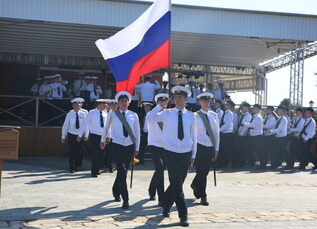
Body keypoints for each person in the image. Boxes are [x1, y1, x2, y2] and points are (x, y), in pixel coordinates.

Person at [147, 86, 197, 227]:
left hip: (186, 153)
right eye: (175, 96)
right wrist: (159, 106)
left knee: (177, 184)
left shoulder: (191, 116)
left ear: (186, 99)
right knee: (177, 184)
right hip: (170, 153)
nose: (177, 99)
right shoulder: (167, 113)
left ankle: (166, 204)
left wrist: (193, 154)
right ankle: (183, 216)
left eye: (180, 97)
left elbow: (194, 136)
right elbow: (150, 120)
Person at [100, 91, 140, 209]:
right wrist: (103, 141)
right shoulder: (113, 115)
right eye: (121, 101)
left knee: (123, 172)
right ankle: (126, 199)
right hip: (117, 145)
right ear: (118, 103)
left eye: (125, 101)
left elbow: (137, 133)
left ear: (128, 102)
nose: (124, 103)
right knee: (122, 171)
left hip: (129, 146)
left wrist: (137, 147)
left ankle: (116, 190)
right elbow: (106, 128)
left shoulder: (134, 115)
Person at [191, 92, 219, 206]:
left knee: (205, 172)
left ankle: (194, 184)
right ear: (199, 102)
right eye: (204, 101)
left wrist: (216, 148)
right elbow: (192, 133)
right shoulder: (195, 115)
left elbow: (217, 133)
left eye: (208, 101)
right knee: (201, 171)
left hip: (210, 146)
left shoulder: (214, 115)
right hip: (199, 146)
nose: (206, 103)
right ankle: (203, 195)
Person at [147, 93, 169, 205]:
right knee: (160, 170)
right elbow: (150, 120)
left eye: (165, 102)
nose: (163, 104)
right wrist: (159, 107)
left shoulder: (168, 114)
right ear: (157, 103)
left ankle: (151, 190)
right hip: (154, 145)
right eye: (161, 102)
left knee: (160, 170)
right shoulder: (152, 114)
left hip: (165, 146)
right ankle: (162, 198)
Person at [78, 99, 108, 177]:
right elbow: (85, 124)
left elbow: (108, 126)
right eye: (104, 104)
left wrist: (108, 136)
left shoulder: (105, 114)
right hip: (95, 135)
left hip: (103, 136)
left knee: (102, 154)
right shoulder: (91, 113)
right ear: (99, 105)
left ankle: (97, 169)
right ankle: (94, 171)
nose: (105, 106)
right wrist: (80, 135)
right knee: (96, 154)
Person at [61, 98, 88, 173]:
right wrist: (63, 136)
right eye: (76, 105)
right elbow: (65, 125)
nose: (77, 106)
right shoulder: (69, 114)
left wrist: (86, 134)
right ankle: (72, 167)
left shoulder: (84, 114)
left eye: (78, 105)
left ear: (81, 106)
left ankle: (77, 165)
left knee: (80, 151)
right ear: (73, 106)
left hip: (80, 135)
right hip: (72, 134)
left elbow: (86, 125)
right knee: (72, 151)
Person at [217, 100, 234, 168]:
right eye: (225, 104)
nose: (225, 105)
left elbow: (227, 124)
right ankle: (224, 163)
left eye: (227, 104)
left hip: (228, 133)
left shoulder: (229, 113)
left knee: (228, 149)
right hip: (224, 133)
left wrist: (219, 130)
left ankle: (231, 163)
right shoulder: (225, 113)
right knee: (223, 149)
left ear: (230, 106)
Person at [235, 103, 252, 168]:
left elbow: (246, 126)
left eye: (245, 107)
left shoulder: (248, 116)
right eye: (243, 107)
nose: (243, 109)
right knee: (240, 149)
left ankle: (243, 163)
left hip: (244, 134)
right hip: (239, 133)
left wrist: (242, 133)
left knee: (243, 149)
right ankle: (240, 162)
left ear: (248, 108)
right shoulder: (242, 115)